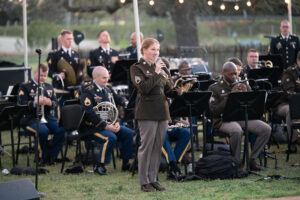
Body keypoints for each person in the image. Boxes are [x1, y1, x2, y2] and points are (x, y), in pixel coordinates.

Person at [130, 38, 182, 192]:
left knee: (157, 147)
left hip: (162, 112)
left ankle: (153, 179)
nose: (156, 53)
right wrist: (157, 72)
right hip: (147, 112)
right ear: (144, 50)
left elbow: (167, 91)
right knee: (146, 147)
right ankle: (144, 181)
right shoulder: (137, 68)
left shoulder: (161, 68)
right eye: (153, 49)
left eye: (158, 49)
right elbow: (144, 89)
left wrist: (178, 90)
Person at [208, 62, 271, 171]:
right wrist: (230, 96)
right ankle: (236, 162)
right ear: (223, 73)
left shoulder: (240, 83)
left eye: (235, 74)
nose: (234, 77)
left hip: (240, 117)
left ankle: (252, 159)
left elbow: (251, 103)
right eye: (231, 74)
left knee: (266, 129)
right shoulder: (214, 88)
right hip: (222, 120)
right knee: (236, 131)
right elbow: (214, 111)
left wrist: (246, 92)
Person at [79, 66, 133, 175]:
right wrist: (105, 126)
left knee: (128, 133)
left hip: (108, 125)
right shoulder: (87, 91)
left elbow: (113, 106)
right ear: (95, 77)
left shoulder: (108, 89)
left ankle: (126, 163)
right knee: (110, 137)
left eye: (107, 77)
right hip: (92, 128)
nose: (107, 80)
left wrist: (116, 122)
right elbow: (90, 113)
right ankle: (99, 166)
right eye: (104, 78)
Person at [17, 64, 65, 165]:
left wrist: (50, 103)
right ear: (35, 73)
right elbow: (21, 103)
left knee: (62, 129)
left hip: (46, 117)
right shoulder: (25, 86)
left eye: (45, 76)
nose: (43, 78)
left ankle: (52, 156)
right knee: (43, 131)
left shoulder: (48, 86)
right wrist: (35, 102)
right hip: (30, 119)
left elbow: (55, 102)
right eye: (41, 75)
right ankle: (42, 157)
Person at [274, 51, 300, 153]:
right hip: (284, 103)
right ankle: (292, 144)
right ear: (298, 61)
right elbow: (290, 93)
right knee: (291, 111)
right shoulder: (289, 72)